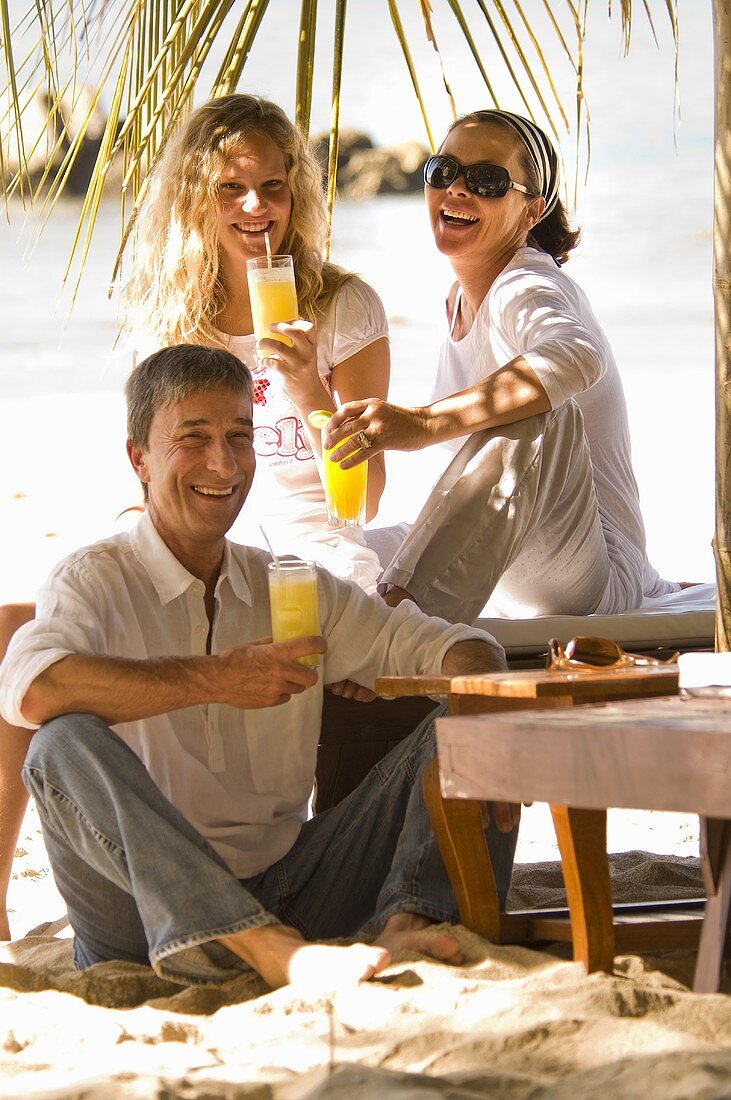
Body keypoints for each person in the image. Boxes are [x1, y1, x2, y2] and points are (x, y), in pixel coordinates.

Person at [0, 345, 516, 987]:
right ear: (139, 458)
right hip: (136, 919)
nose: (222, 463)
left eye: (239, 437)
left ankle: (409, 923)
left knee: (475, 715)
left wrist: (477, 711)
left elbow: (467, 649)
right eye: (194, 438)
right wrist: (213, 678)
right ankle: (262, 946)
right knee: (59, 744)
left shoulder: (294, 590)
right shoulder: (93, 581)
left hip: (293, 887)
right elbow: (32, 686)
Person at [324, 109, 680, 625]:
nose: (458, 190)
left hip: (596, 576)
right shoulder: (459, 301)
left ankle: (399, 627)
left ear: (531, 211)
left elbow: (574, 355)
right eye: (443, 170)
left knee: (537, 410)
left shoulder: (525, 284)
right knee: (333, 555)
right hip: (521, 559)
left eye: (488, 180)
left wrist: (423, 423)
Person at [123, 93, 389, 591]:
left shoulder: (344, 307)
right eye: (231, 187)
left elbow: (365, 499)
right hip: (204, 559)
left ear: (295, 193)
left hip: (314, 556)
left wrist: (309, 388)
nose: (256, 205)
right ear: (195, 197)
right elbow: (153, 490)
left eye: (273, 185)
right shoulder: (167, 321)